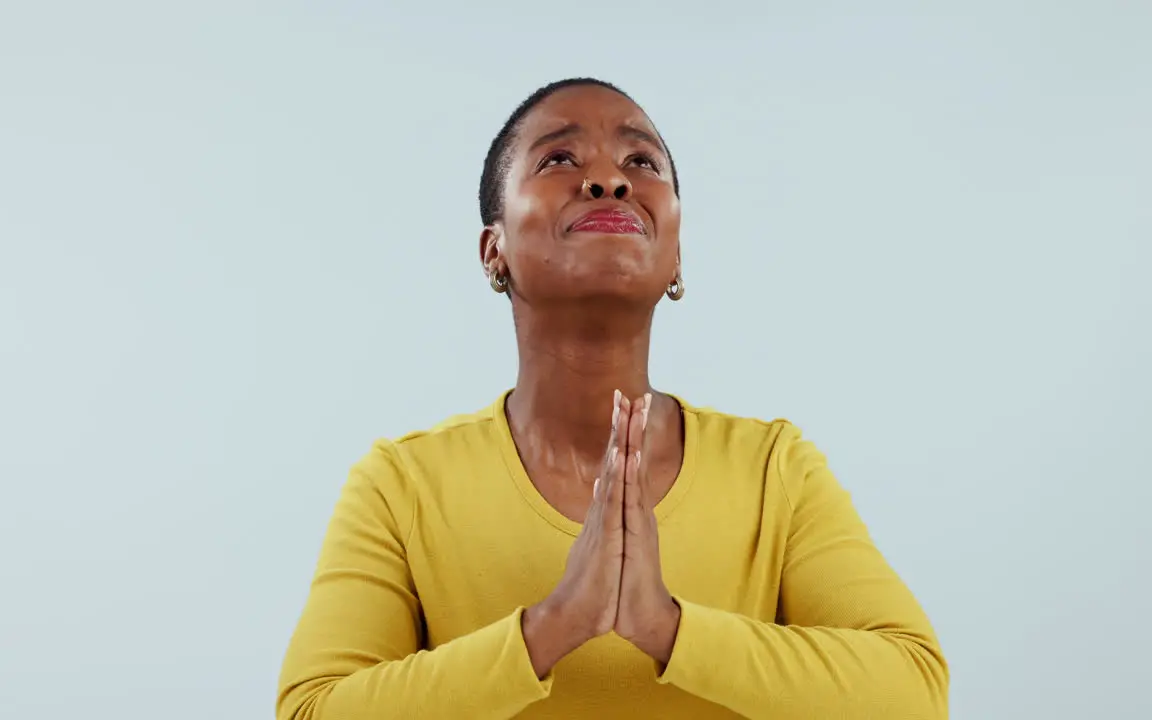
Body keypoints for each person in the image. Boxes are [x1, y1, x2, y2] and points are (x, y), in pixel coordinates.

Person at [277, 78, 948, 720]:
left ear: (676, 254)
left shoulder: (776, 469)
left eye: (641, 161)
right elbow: (312, 711)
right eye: (559, 158)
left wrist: (667, 628)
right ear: (494, 249)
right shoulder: (401, 486)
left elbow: (915, 693)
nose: (610, 180)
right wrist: (550, 628)